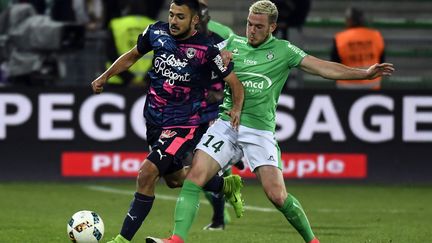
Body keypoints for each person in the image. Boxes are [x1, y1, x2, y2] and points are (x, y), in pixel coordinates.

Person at [146, 1, 394, 243]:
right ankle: (176, 239)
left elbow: (323, 68)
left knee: (277, 196)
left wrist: (363, 73)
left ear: (272, 27)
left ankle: (313, 240)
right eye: (249, 24)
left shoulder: (285, 51)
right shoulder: (233, 42)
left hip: (259, 130)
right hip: (226, 125)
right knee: (194, 179)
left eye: (259, 27)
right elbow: (198, 53)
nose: (251, 31)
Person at [90, 0, 245, 242]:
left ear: (194, 20)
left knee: (147, 173)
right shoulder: (156, 32)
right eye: (172, 14)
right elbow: (132, 56)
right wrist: (105, 76)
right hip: (154, 120)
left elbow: (234, 82)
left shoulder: (207, 49)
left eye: (180, 17)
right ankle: (225, 186)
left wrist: (236, 108)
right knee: (173, 180)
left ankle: (122, 239)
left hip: (184, 124)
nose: (173, 21)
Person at [197, 0, 244, 231]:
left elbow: (236, 67)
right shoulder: (178, 32)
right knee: (189, 166)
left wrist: (220, 93)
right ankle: (234, 164)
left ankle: (218, 218)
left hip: (216, 106)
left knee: (205, 163)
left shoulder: (223, 34)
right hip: (192, 105)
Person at [331, 6, 386, 90]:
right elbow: (382, 61)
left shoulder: (340, 38)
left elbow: (334, 64)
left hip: (346, 88)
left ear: (349, 20)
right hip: (372, 86)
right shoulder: (376, 36)